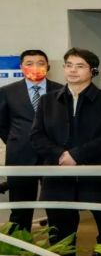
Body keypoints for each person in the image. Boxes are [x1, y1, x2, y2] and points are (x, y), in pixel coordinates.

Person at [31, 48, 101, 256]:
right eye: (69, 65)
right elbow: (37, 136)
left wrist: (77, 155)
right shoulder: (48, 100)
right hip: (59, 177)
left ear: (93, 71)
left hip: (98, 176)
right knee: (60, 233)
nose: (72, 70)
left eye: (79, 66)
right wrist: (60, 155)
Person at [0, 50, 62, 232]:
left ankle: (59, 247)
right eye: (29, 63)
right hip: (20, 156)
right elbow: (2, 124)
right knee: (20, 209)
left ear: (48, 66)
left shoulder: (60, 90)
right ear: (21, 67)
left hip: (53, 156)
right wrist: (17, 140)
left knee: (57, 209)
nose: (35, 67)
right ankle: (19, 246)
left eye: (40, 63)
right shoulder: (7, 92)